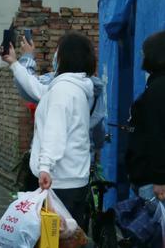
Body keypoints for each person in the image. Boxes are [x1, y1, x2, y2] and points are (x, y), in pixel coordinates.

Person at [2, 31, 95, 231]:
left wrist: (45, 167)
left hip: (58, 181)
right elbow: (37, 90)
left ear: (65, 57)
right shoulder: (72, 87)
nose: (55, 57)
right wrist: (14, 64)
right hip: (73, 179)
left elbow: (55, 132)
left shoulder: (62, 91)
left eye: (57, 52)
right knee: (67, 239)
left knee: (53, 239)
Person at [13, 35, 106, 163]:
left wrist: (26, 58)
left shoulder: (56, 84)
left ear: (64, 57)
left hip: (55, 168)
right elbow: (98, 132)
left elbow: (28, 86)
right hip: (83, 162)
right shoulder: (95, 87)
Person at [125, 30, 165, 203]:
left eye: (145, 52)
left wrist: (162, 178)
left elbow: (159, 135)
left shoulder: (160, 88)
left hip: (157, 184)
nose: (142, 56)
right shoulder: (159, 84)